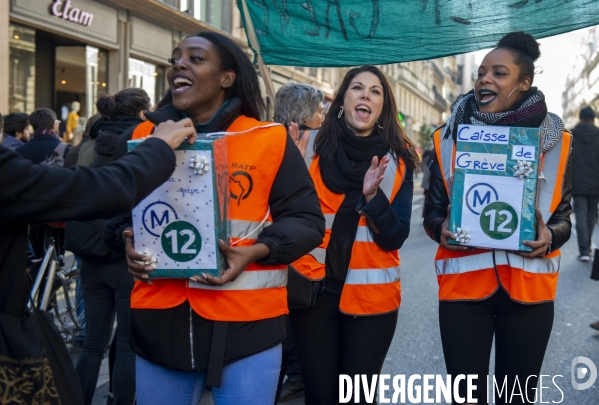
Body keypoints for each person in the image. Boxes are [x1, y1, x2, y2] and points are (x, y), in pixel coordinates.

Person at [112, 31, 324, 405]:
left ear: (227, 77)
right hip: (159, 326)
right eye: (175, 58)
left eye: (195, 58)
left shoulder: (268, 138)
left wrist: (257, 250)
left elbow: (307, 222)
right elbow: (111, 210)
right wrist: (125, 238)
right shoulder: (145, 136)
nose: (178, 64)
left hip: (248, 327)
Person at [424, 32, 572, 404]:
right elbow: (432, 213)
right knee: (465, 398)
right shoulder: (447, 138)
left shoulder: (558, 142)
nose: (484, 79)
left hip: (528, 294)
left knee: (517, 399)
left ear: (524, 84)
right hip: (463, 293)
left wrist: (550, 237)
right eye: (481, 72)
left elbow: (564, 217)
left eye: (499, 73)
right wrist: (439, 228)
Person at [289, 65, 419, 404]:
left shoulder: (401, 159)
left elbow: (395, 236)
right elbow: (282, 215)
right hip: (312, 295)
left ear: (383, 107)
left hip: (371, 303)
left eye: (375, 91)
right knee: (320, 397)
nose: (365, 95)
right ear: (343, 99)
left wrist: (373, 200)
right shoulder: (306, 146)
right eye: (357, 88)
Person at [72, 89, 151, 405]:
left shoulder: (87, 146)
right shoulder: (141, 145)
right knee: (126, 343)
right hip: (124, 253)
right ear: (143, 112)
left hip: (89, 253)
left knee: (93, 343)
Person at [272, 81, 325, 403]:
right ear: (304, 116)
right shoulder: (300, 141)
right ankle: (295, 377)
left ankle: (294, 376)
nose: (323, 117)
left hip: (296, 256)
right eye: (319, 111)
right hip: (295, 255)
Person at [570, 106, 599, 262]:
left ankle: (584, 251)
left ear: (580, 118)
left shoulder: (572, 135)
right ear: (593, 118)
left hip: (577, 182)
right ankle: (587, 247)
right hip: (596, 183)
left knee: (580, 215)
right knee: (591, 216)